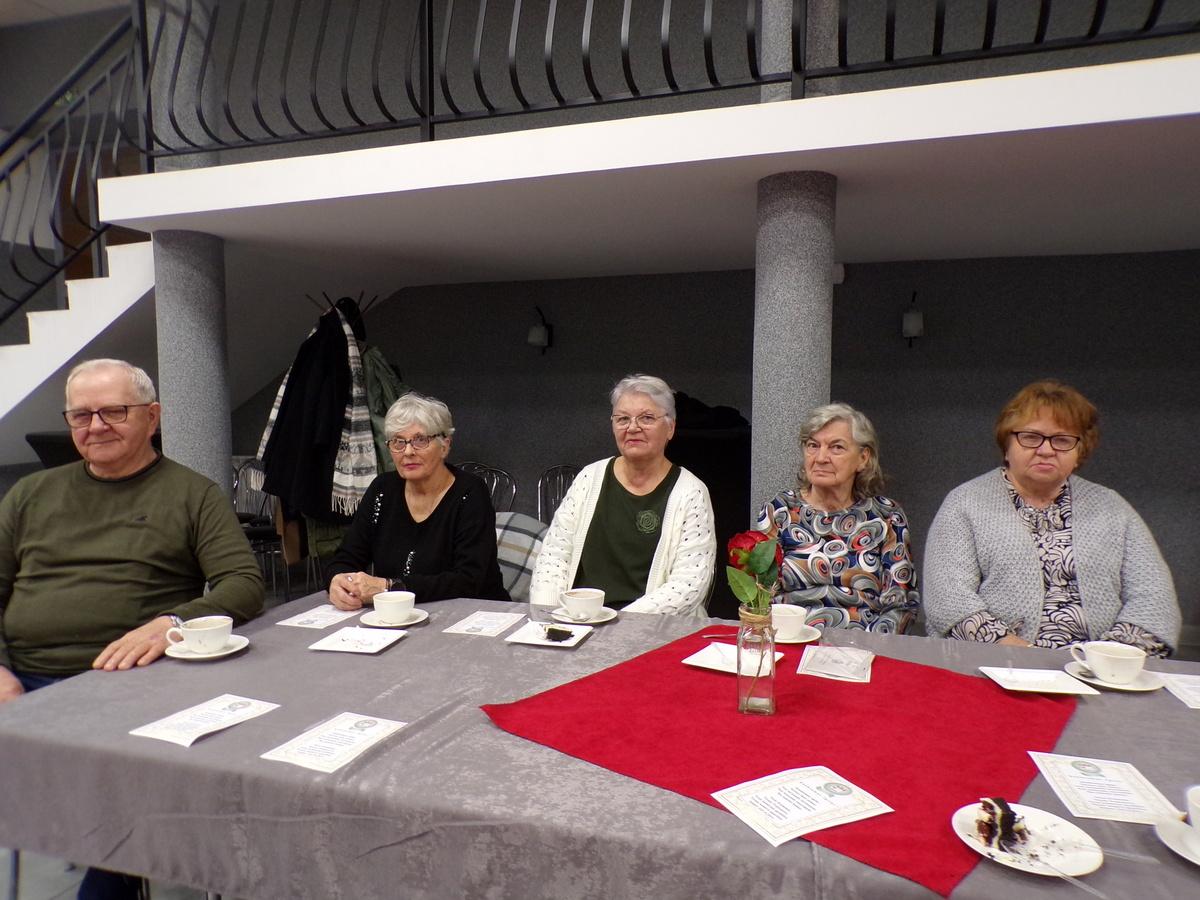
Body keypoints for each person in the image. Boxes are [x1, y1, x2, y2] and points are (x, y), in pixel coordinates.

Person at [0, 359, 264, 899]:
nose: (96, 426)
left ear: (152, 416)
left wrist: (173, 623)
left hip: (131, 686)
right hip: (22, 682)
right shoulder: (30, 494)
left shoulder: (192, 494)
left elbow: (243, 583)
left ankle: (108, 872)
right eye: (81, 415)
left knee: (121, 791)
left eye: (114, 411)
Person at [924, 380, 1180, 655]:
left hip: (1104, 667)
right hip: (997, 662)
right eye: (1031, 437)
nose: (1046, 450)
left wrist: (1107, 660)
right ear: (1007, 445)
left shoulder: (1113, 507)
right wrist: (1022, 654)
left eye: (1062, 440)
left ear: (1080, 451)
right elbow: (948, 598)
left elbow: (1154, 599)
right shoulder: (965, 503)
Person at [530, 374, 716, 616]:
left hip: (651, 625)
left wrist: (621, 623)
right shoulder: (589, 478)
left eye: (647, 418)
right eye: (623, 419)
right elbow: (554, 557)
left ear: (670, 428)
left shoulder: (691, 492)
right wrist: (547, 617)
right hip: (579, 620)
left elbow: (688, 585)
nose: (633, 427)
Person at [326, 392, 509, 607]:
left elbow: (468, 581)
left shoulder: (471, 493)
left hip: (474, 613)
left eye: (420, 440)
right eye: (398, 442)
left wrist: (389, 587)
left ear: (445, 445)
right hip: (399, 615)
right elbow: (346, 557)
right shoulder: (382, 490)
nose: (408, 451)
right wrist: (337, 581)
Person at [754, 403, 919, 633]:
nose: (821, 457)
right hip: (791, 638)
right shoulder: (780, 510)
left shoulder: (887, 516)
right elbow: (760, 598)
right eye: (813, 445)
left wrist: (866, 647)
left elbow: (901, 605)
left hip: (864, 643)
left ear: (863, 458)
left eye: (836, 447)